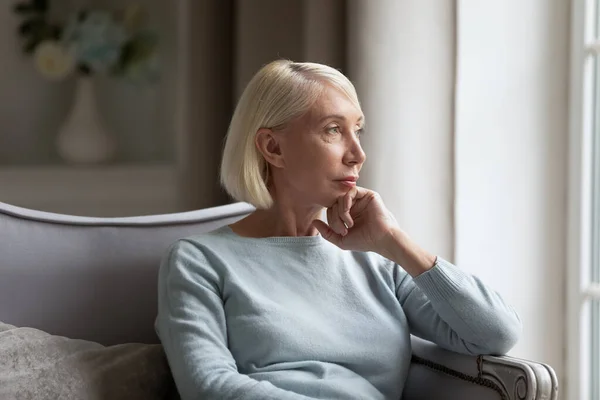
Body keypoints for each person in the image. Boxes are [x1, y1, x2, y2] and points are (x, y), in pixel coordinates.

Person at [155, 60, 522, 400]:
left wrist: (394, 241)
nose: (357, 154)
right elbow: (209, 387)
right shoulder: (198, 261)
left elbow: (496, 333)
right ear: (272, 147)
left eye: (357, 130)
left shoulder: (377, 259)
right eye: (333, 130)